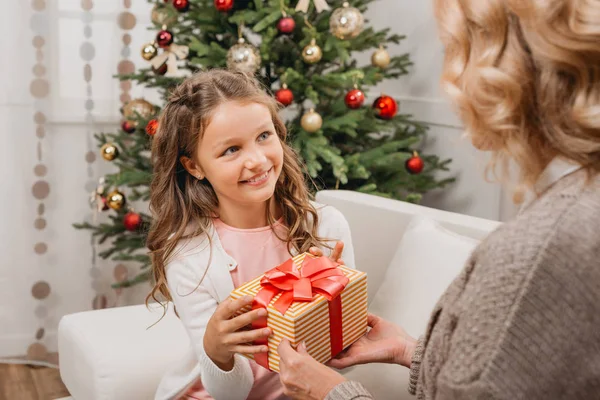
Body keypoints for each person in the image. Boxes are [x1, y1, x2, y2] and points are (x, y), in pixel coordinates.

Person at [277, 0, 600, 398]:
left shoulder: (539, 253)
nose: (446, 75)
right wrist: (413, 352)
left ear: (505, 69)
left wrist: (328, 392)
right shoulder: (578, 202)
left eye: (451, 48)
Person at [146, 69, 356, 400]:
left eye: (263, 136)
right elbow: (233, 393)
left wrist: (336, 311)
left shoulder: (325, 229)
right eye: (231, 150)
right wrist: (217, 350)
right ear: (195, 167)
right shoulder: (190, 256)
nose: (257, 161)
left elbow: (339, 367)